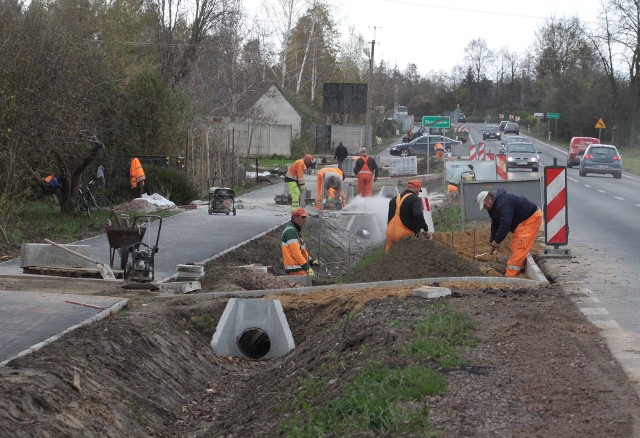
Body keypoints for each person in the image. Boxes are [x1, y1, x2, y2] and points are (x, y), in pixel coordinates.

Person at [477, 189, 543, 277]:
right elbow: (495, 223)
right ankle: (519, 268)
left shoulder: (503, 203)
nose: (485, 208)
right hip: (524, 220)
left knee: (519, 246)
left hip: (530, 218)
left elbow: (505, 224)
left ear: (489, 199)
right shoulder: (493, 207)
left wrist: (497, 241)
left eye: (485, 205)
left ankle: (510, 276)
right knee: (518, 245)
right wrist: (492, 241)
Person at [385, 179, 432, 253]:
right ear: (417, 189)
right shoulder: (415, 199)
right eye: (419, 191)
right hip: (404, 234)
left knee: (390, 260)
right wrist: (425, 229)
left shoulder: (393, 199)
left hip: (389, 233)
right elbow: (418, 214)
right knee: (409, 259)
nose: (418, 193)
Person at [280, 207, 320, 277]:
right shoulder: (291, 232)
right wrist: (307, 268)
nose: (305, 220)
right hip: (296, 271)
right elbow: (296, 253)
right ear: (295, 217)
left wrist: (311, 261)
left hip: (298, 269)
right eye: (303, 217)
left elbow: (302, 251)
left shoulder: (294, 231)